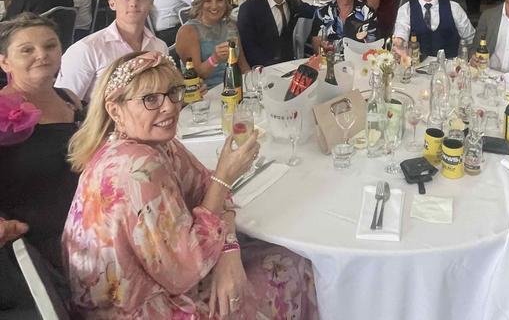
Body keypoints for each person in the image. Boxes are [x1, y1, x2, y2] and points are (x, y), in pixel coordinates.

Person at [62, 51, 318, 319]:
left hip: (158, 280)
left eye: (173, 92)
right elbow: (185, 271)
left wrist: (229, 251)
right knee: (293, 266)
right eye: (150, 99)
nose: (170, 106)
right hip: (141, 308)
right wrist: (224, 176)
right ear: (115, 110)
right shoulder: (136, 166)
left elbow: (210, 189)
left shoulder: (156, 144)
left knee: (274, 255)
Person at [0, 14, 84, 315]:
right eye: (27, 50)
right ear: (4, 62)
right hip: (36, 248)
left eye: (50, 46)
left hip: (91, 232)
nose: (42, 55)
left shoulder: (71, 100)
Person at [55, 0, 167, 102]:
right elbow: (65, 104)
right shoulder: (87, 49)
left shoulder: (159, 46)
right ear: (112, 4)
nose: (133, 4)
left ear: (151, 3)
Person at [176, 0, 250, 89]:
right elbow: (194, 77)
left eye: (219, 0)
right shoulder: (188, 31)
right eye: (208, 1)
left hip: (236, 88)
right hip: (206, 93)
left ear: (226, 2)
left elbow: (243, 66)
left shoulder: (231, 26)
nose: (214, 6)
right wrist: (214, 59)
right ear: (199, 3)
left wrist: (253, 83)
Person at [237, 0, 314, 67]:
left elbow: (313, 13)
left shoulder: (292, 2)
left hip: (288, 66)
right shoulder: (249, 9)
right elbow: (248, 47)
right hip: (261, 69)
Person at [393, 0, 474, 58]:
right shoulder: (406, 9)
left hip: (449, 68)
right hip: (417, 67)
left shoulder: (454, 8)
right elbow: (401, 32)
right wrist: (400, 41)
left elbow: (470, 38)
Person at [310, 0, 378, 52]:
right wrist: (323, 49)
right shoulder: (321, 13)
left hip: (359, 61)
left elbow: (373, 46)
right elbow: (317, 45)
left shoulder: (367, 13)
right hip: (330, 61)